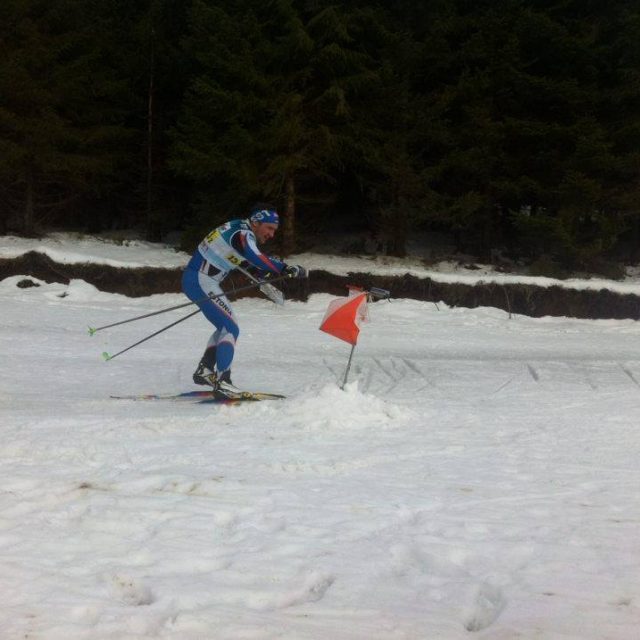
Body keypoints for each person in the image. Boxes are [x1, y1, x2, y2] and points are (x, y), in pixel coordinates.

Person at [182, 204, 306, 396]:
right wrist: (284, 268)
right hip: (201, 281)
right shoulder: (243, 233)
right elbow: (255, 257)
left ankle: (205, 370)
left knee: (225, 327)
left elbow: (242, 260)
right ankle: (223, 381)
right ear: (256, 223)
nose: (271, 234)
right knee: (230, 328)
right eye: (269, 228)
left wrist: (262, 276)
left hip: (199, 280)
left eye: (274, 230)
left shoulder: (237, 228)